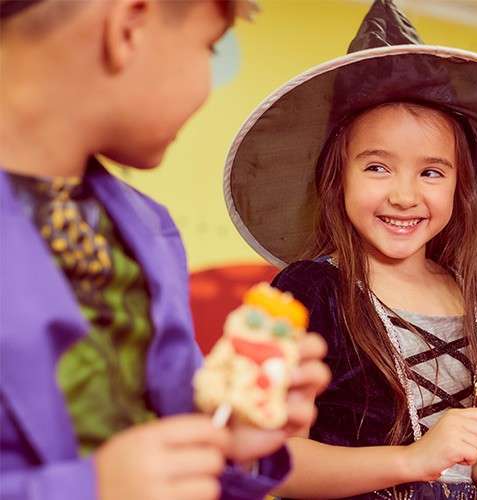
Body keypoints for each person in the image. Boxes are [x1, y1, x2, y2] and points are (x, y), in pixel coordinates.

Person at [222, 1, 477, 497]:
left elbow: (456, 451)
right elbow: (276, 462)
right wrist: (412, 460)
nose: (404, 195)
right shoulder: (307, 290)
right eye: (376, 167)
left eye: (431, 172)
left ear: (460, 187)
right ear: (336, 178)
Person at [0, 1, 329, 499]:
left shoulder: (150, 231)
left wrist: (230, 443)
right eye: (209, 46)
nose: (207, 86)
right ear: (129, 26)